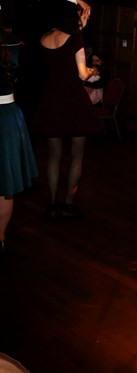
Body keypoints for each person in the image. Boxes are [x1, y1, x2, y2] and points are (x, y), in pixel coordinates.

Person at [31, 0, 102, 219]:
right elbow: (81, 74)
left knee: (53, 157)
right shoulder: (75, 40)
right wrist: (92, 71)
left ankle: (53, 203)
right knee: (77, 156)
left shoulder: (45, 38)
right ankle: (69, 203)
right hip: (73, 102)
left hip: (51, 101)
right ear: (73, 17)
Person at [0, 25, 39, 252]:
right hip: (9, 116)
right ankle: (1, 237)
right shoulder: (16, 43)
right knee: (5, 184)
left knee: (6, 184)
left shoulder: (16, 44)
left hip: (7, 116)